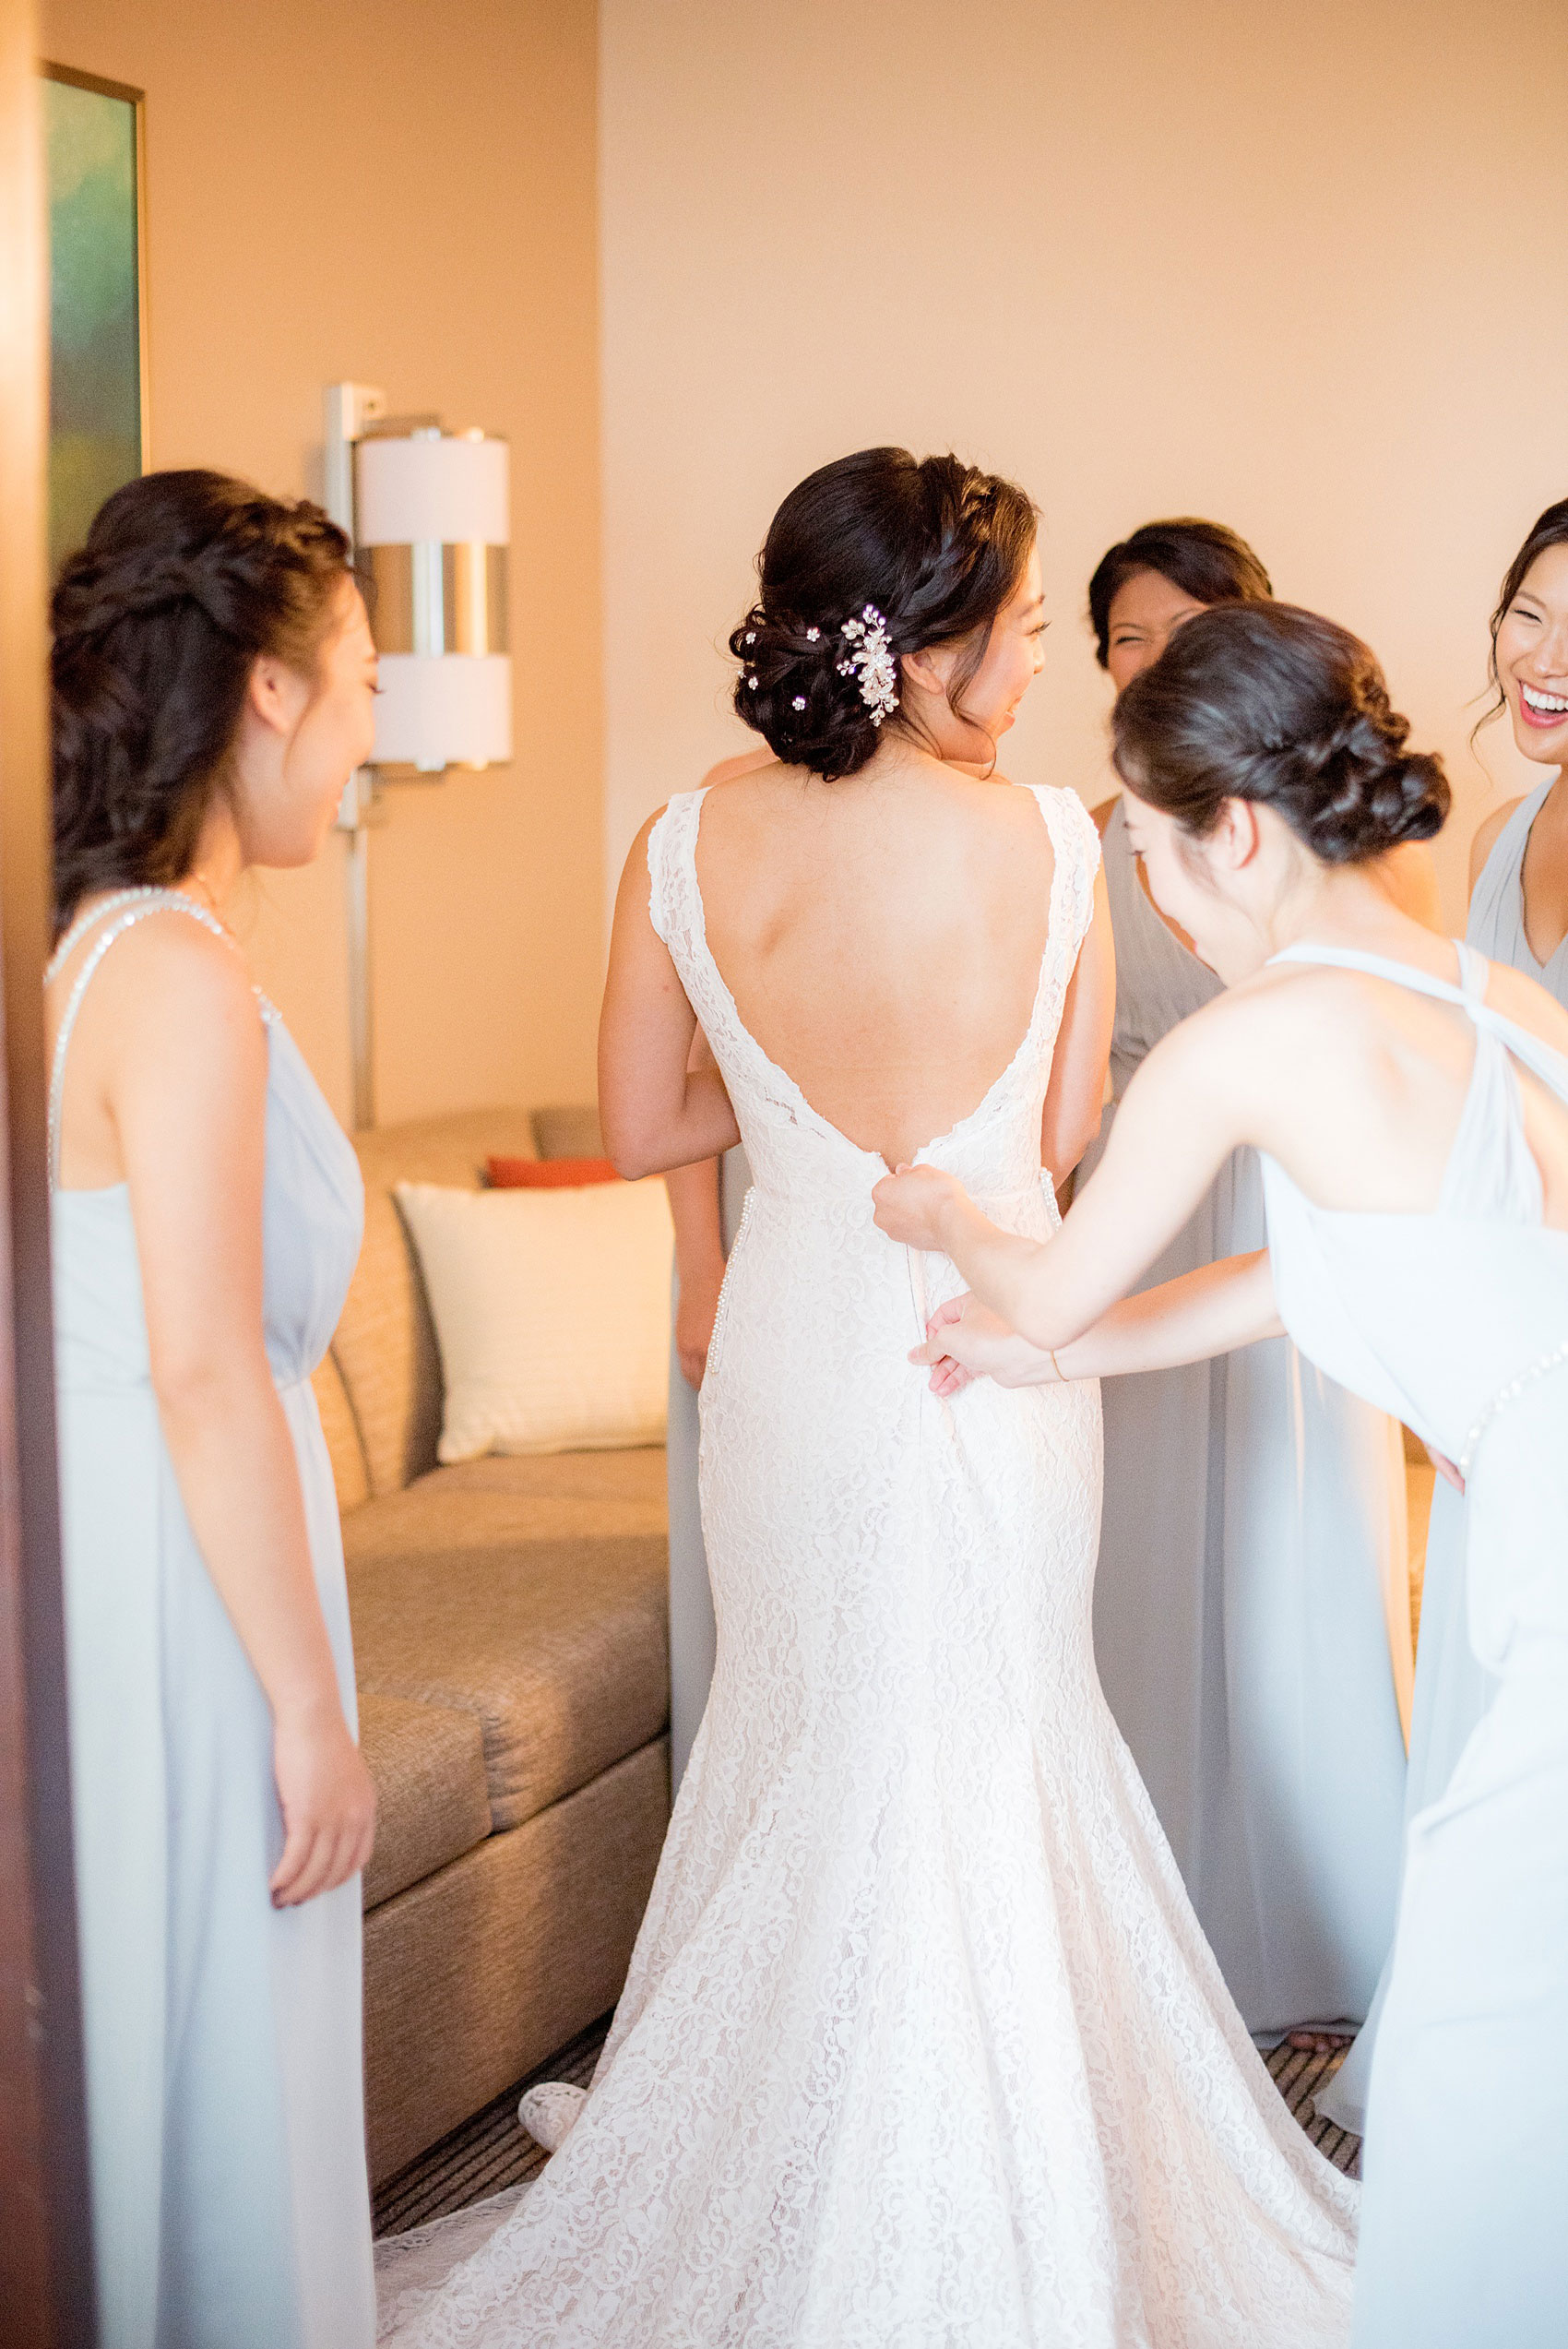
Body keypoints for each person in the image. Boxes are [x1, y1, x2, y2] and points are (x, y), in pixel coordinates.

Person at [380, 447, 1359, 2349]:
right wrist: (947, 1136)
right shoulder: (1045, 851)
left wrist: (783, 1139)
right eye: (1013, 630)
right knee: (990, 1733)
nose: (1034, 670)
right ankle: (987, 2175)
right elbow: (1066, 1133)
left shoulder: (681, 835)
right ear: (915, 652)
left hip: (799, 1358)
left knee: (813, 1722)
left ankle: (779, 2136)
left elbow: (651, 1118)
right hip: (991, 1354)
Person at [874, 599, 1568, 2349]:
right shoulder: (1487, 997)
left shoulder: (1250, 1040)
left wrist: (945, 1211)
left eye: (1148, 850)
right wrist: (1066, 1354)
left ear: (1235, 831)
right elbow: (1305, 1272)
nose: (1151, 896)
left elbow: (1044, 1270)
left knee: (1489, 2038)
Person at [48, 470, 379, 2348]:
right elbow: (199, 1367)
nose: (360, 743)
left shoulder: (100, 950)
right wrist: (314, 1710)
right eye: (355, 692)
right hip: (188, 1573)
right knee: (218, 2012)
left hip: (135, 1535)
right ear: (264, 693)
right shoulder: (169, 972)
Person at [1082, 520, 1424, 2048]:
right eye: (1123, 641)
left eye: (1185, 633)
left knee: (1300, 1539)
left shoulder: (1324, 865)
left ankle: (1327, 1912)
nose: (1152, 663)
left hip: (1289, 1186)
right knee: (1145, 1560)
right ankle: (1161, 1910)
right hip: (1145, 1197)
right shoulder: (1085, 839)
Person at [1318, 492, 1568, 2131]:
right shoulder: (1492, 840)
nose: (1543, 660)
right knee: (1497, 1709)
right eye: (1529, 612)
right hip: (1512, 1362)